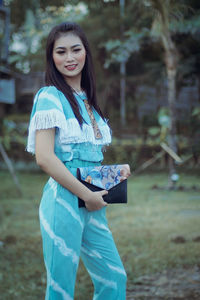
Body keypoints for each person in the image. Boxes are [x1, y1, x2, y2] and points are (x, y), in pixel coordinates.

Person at [27, 22, 128, 300]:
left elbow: (86, 161)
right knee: (60, 288)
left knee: (114, 278)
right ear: (52, 57)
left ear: (86, 53)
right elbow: (45, 158)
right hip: (64, 201)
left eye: (76, 50)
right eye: (61, 52)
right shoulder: (50, 96)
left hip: (92, 201)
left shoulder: (89, 101)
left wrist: (115, 173)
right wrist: (86, 194)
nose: (69, 58)